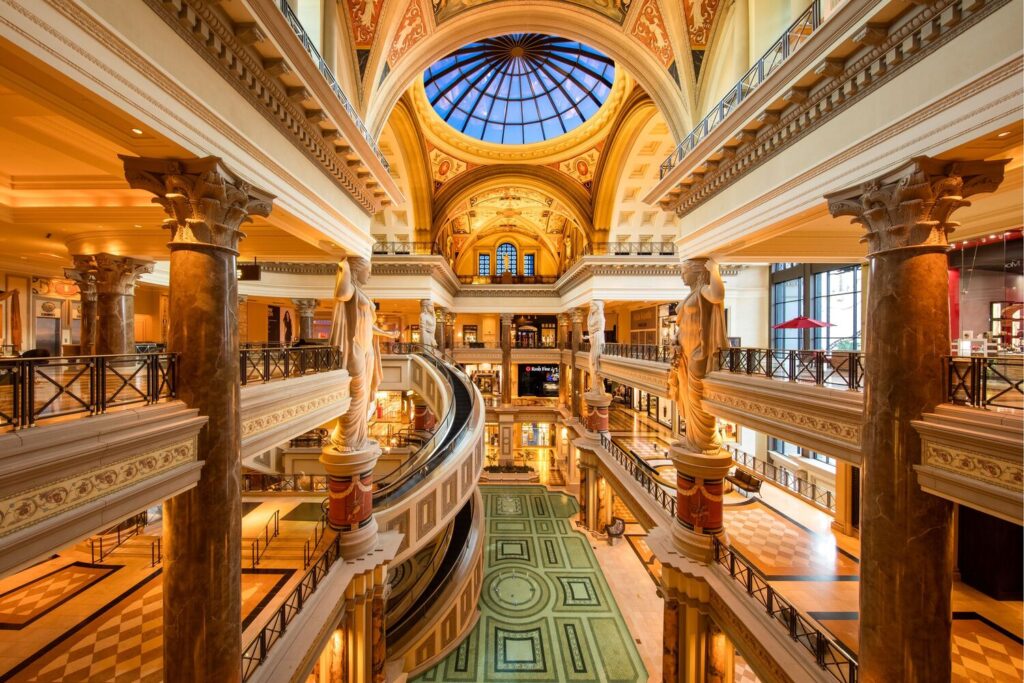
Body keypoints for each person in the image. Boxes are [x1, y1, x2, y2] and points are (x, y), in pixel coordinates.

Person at [673, 259, 729, 453]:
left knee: (696, 395)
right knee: (687, 395)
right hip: (684, 353)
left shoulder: (704, 290)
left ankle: (704, 440)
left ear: (696, 272)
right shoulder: (692, 294)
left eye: (684, 271)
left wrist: (714, 270)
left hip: (698, 352)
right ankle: (691, 437)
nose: (681, 275)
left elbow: (718, 295)